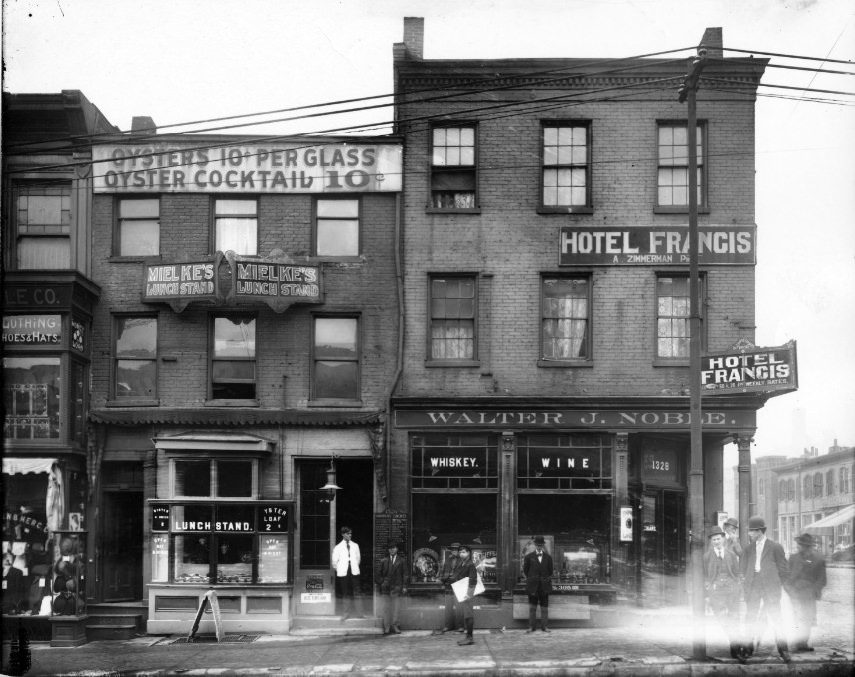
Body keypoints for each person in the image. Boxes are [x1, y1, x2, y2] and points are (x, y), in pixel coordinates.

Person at [741, 515, 791, 663]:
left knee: (777, 619)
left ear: (759, 531)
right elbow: (743, 570)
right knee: (750, 618)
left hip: (770, 588)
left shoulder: (775, 547)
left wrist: (777, 587)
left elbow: (784, 570)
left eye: (751, 531)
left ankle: (784, 650)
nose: (749, 534)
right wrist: (747, 587)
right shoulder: (749, 549)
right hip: (754, 586)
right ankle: (747, 649)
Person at [703, 526, 744, 660]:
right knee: (721, 618)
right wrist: (708, 592)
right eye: (714, 539)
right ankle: (735, 641)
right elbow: (705, 576)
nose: (716, 541)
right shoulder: (707, 556)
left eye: (718, 539)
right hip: (717, 592)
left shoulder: (731, 554)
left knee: (734, 617)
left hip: (732, 590)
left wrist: (738, 586)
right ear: (711, 542)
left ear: (723, 539)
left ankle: (735, 647)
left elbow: (737, 572)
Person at [786, 533, 827, 652]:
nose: (798, 546)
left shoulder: (819, 560)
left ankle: (803, 644)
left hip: (809, 595)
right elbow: (787, 577)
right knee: (797, 618)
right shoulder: (793, 558)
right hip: (795, 593)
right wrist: (790, 591)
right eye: (798, 544)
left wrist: (814, 590)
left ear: (807, 547)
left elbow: (822, 579)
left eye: (801, 545)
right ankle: (796, 642)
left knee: (808, 619)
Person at [522, 535, 553, 633]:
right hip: (533, 587)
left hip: (544, 587)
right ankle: (532, 627)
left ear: (543, 545)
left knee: (544, 608)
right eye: (538, 545)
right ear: (535, 545)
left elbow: (550, 571)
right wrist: (533, 579)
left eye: (541, 545)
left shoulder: (548, 558)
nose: (539, 547)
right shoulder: (528, 557)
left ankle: (545, 627)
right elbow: (526, 571)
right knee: (532, 608)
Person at [377, 543, 408, 634]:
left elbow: (405, 574)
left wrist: (405, 586)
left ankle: (395, 625)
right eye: (390, 548)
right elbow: (378, 574)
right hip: (386, 588)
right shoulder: (384, 561)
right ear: (388, 550)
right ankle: (387, 627)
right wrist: (382, 583)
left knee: (396, 607)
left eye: (393, 548)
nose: (392, 550)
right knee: (386, 608)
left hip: (397, 587)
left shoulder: (402, 561)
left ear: (397, 549)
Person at [331, 526, 362, 620]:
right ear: (343, 534)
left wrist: (354, 566)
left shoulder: (355, 545)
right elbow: (334, 562)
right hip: (343, 573)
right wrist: (341, 569)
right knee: (346, 593)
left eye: (351, 533)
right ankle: (346, 614)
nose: (350, 535)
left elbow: (358, 559)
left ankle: (360, 613)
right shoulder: (338, 547)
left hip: (354, 571)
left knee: (357, 592)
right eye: (348, 533)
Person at [452, 545, 478, 646]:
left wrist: (469, 594)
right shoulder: (462, 563)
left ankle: (470, 637)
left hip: (467, 593)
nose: (461, 554)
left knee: (468, 615)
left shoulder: (470, 564)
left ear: (468, 553)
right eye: (460, 552)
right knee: (466, 615)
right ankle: (468, 637)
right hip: (462, 592)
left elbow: (473, 581)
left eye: (464, 552)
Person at [439, 542, 462, 633]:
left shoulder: (464, 560)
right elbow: (444, 571)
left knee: (459, 607)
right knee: (448, 607)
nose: (454, 551)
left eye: (456, 550)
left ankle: (460, 626)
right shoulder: (448, 560)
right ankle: (448, 626)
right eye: (452, 550)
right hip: (448, 585)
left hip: (459, 585)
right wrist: (442, 581)